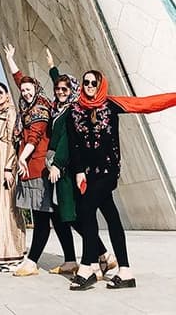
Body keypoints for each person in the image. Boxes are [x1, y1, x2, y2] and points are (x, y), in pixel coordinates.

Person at [67, 69, 176, 291]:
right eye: (86, 82)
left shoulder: (111, 105)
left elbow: (145, 104)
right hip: (88, 174)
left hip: (108, 172)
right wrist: (78, 171)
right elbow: (74, 145)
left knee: (85, 210)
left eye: (94, 83)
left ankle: (87, 267)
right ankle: (125, 271)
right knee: (111, 216)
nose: (89, 86)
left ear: (100, 85)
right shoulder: (74, 110)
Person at [43, 48, 112, 278]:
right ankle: (89, 257)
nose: (60, 92)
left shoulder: (72, 111)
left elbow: (66, 140)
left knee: (73, 215)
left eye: (65, 89)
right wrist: (52, 67)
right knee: (64, 215)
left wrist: (57, 163)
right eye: (57, 89)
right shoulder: (59, 108)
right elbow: (60, 82)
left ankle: (100, 256)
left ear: (73, 90)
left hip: (68, 169)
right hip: (58, 168)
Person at [3, 43, 53, 277]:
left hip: (38, 168)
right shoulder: (27, 104)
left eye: (28, 89)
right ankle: (98, 256)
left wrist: (21, 159)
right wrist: (10, 59)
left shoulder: (40, 108)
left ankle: (31, 262)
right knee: (57, 220)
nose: (25, 92)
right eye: (23, 90)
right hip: (31, 167)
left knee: (43, 218)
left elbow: (35, 136)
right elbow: (19, 79)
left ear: (36, 88)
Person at [0, 51, 26, 270]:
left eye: (0, 93)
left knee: (6, 207)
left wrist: (9, 167)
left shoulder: (11, 112)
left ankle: (11, 252)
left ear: (8, 95)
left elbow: (13, 140)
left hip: (5, 162)